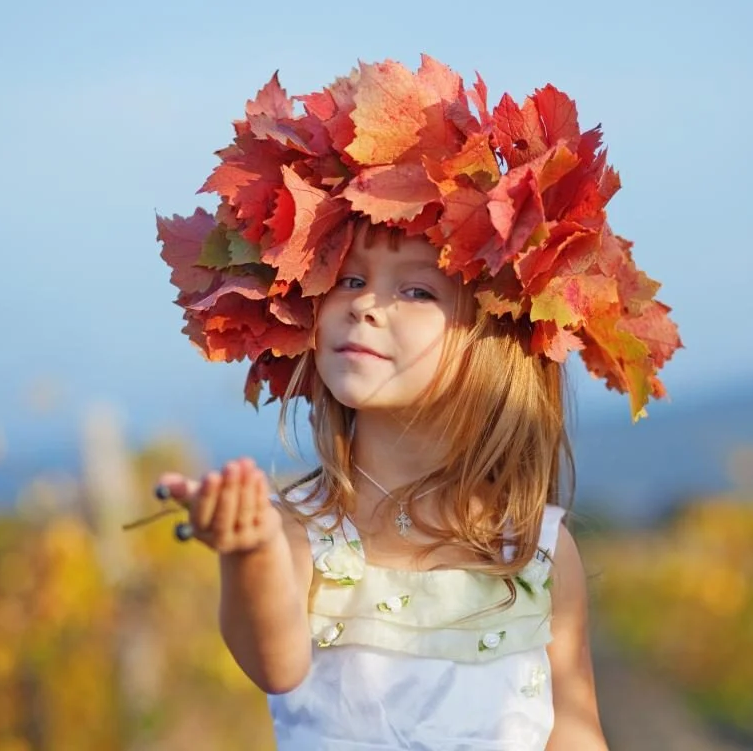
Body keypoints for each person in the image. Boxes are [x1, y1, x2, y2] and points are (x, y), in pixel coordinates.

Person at [149, 56, 682, 749]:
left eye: (416, 291)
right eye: (347, 279)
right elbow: (275, 665)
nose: (366, 307)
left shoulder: (540, 552)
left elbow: (576, 733)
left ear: (494, 341)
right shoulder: (303, 532)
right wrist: (247, 551)